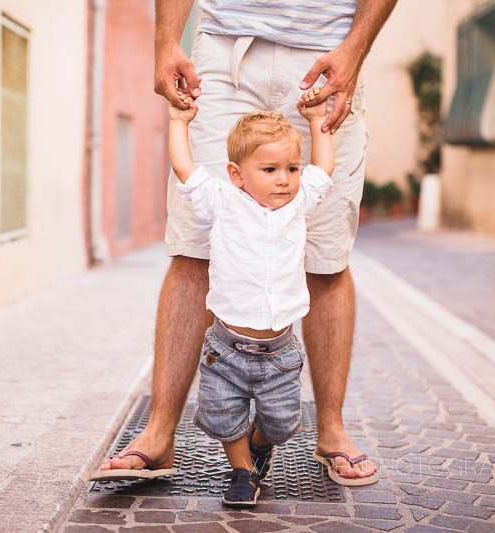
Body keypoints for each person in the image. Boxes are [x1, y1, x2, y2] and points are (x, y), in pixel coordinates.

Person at [95, 0, 396, 486]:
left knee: (326, 257)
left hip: (329, 52)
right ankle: (158, 433)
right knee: (194, 248)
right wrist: (167, 40)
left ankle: (332, 430)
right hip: (223, 51)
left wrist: (354, 50)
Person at [168, 89, 335, 506]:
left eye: (291, 168)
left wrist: (317, 123)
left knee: (281, 424)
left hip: (279, 352)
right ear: (237, 174)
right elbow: (186, 171)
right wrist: (178, 123)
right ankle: (243, 472)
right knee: (225, 417)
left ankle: (261, 445)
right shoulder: (223, 202)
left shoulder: (299, 204)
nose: (284, 178)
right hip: (225, 349)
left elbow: (325, 169)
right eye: (270, 169)